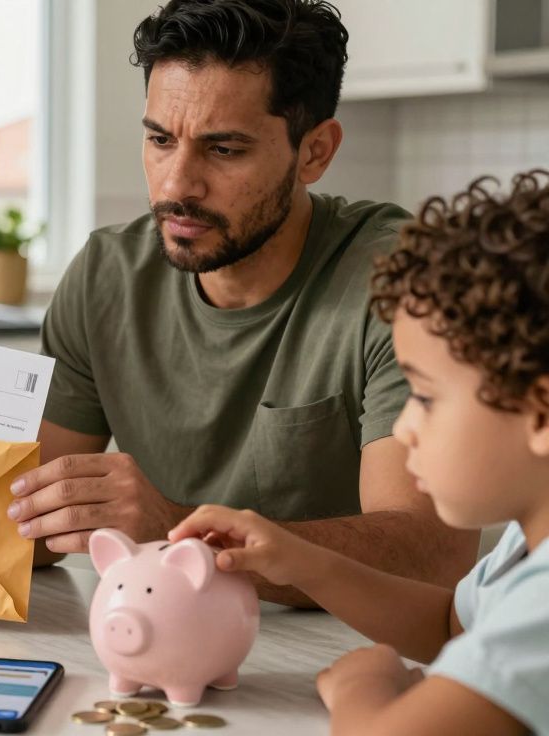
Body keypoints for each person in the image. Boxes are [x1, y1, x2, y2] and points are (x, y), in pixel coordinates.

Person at [7, 0, 475, 604]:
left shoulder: (403, 281)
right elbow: (32, 524)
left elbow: (431, 553)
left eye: (224, 149)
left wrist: (179, 537)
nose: (177, 185)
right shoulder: (106, 276)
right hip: (157, 641)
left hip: (344, 656)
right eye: (159, 139)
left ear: (315, 152)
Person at [171, 170, 549, 734]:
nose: (406, 425)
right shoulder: (529, 544)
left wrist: (363, 685)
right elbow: (453, 624)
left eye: (424, 395)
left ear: (540, 413)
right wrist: (299, 559)